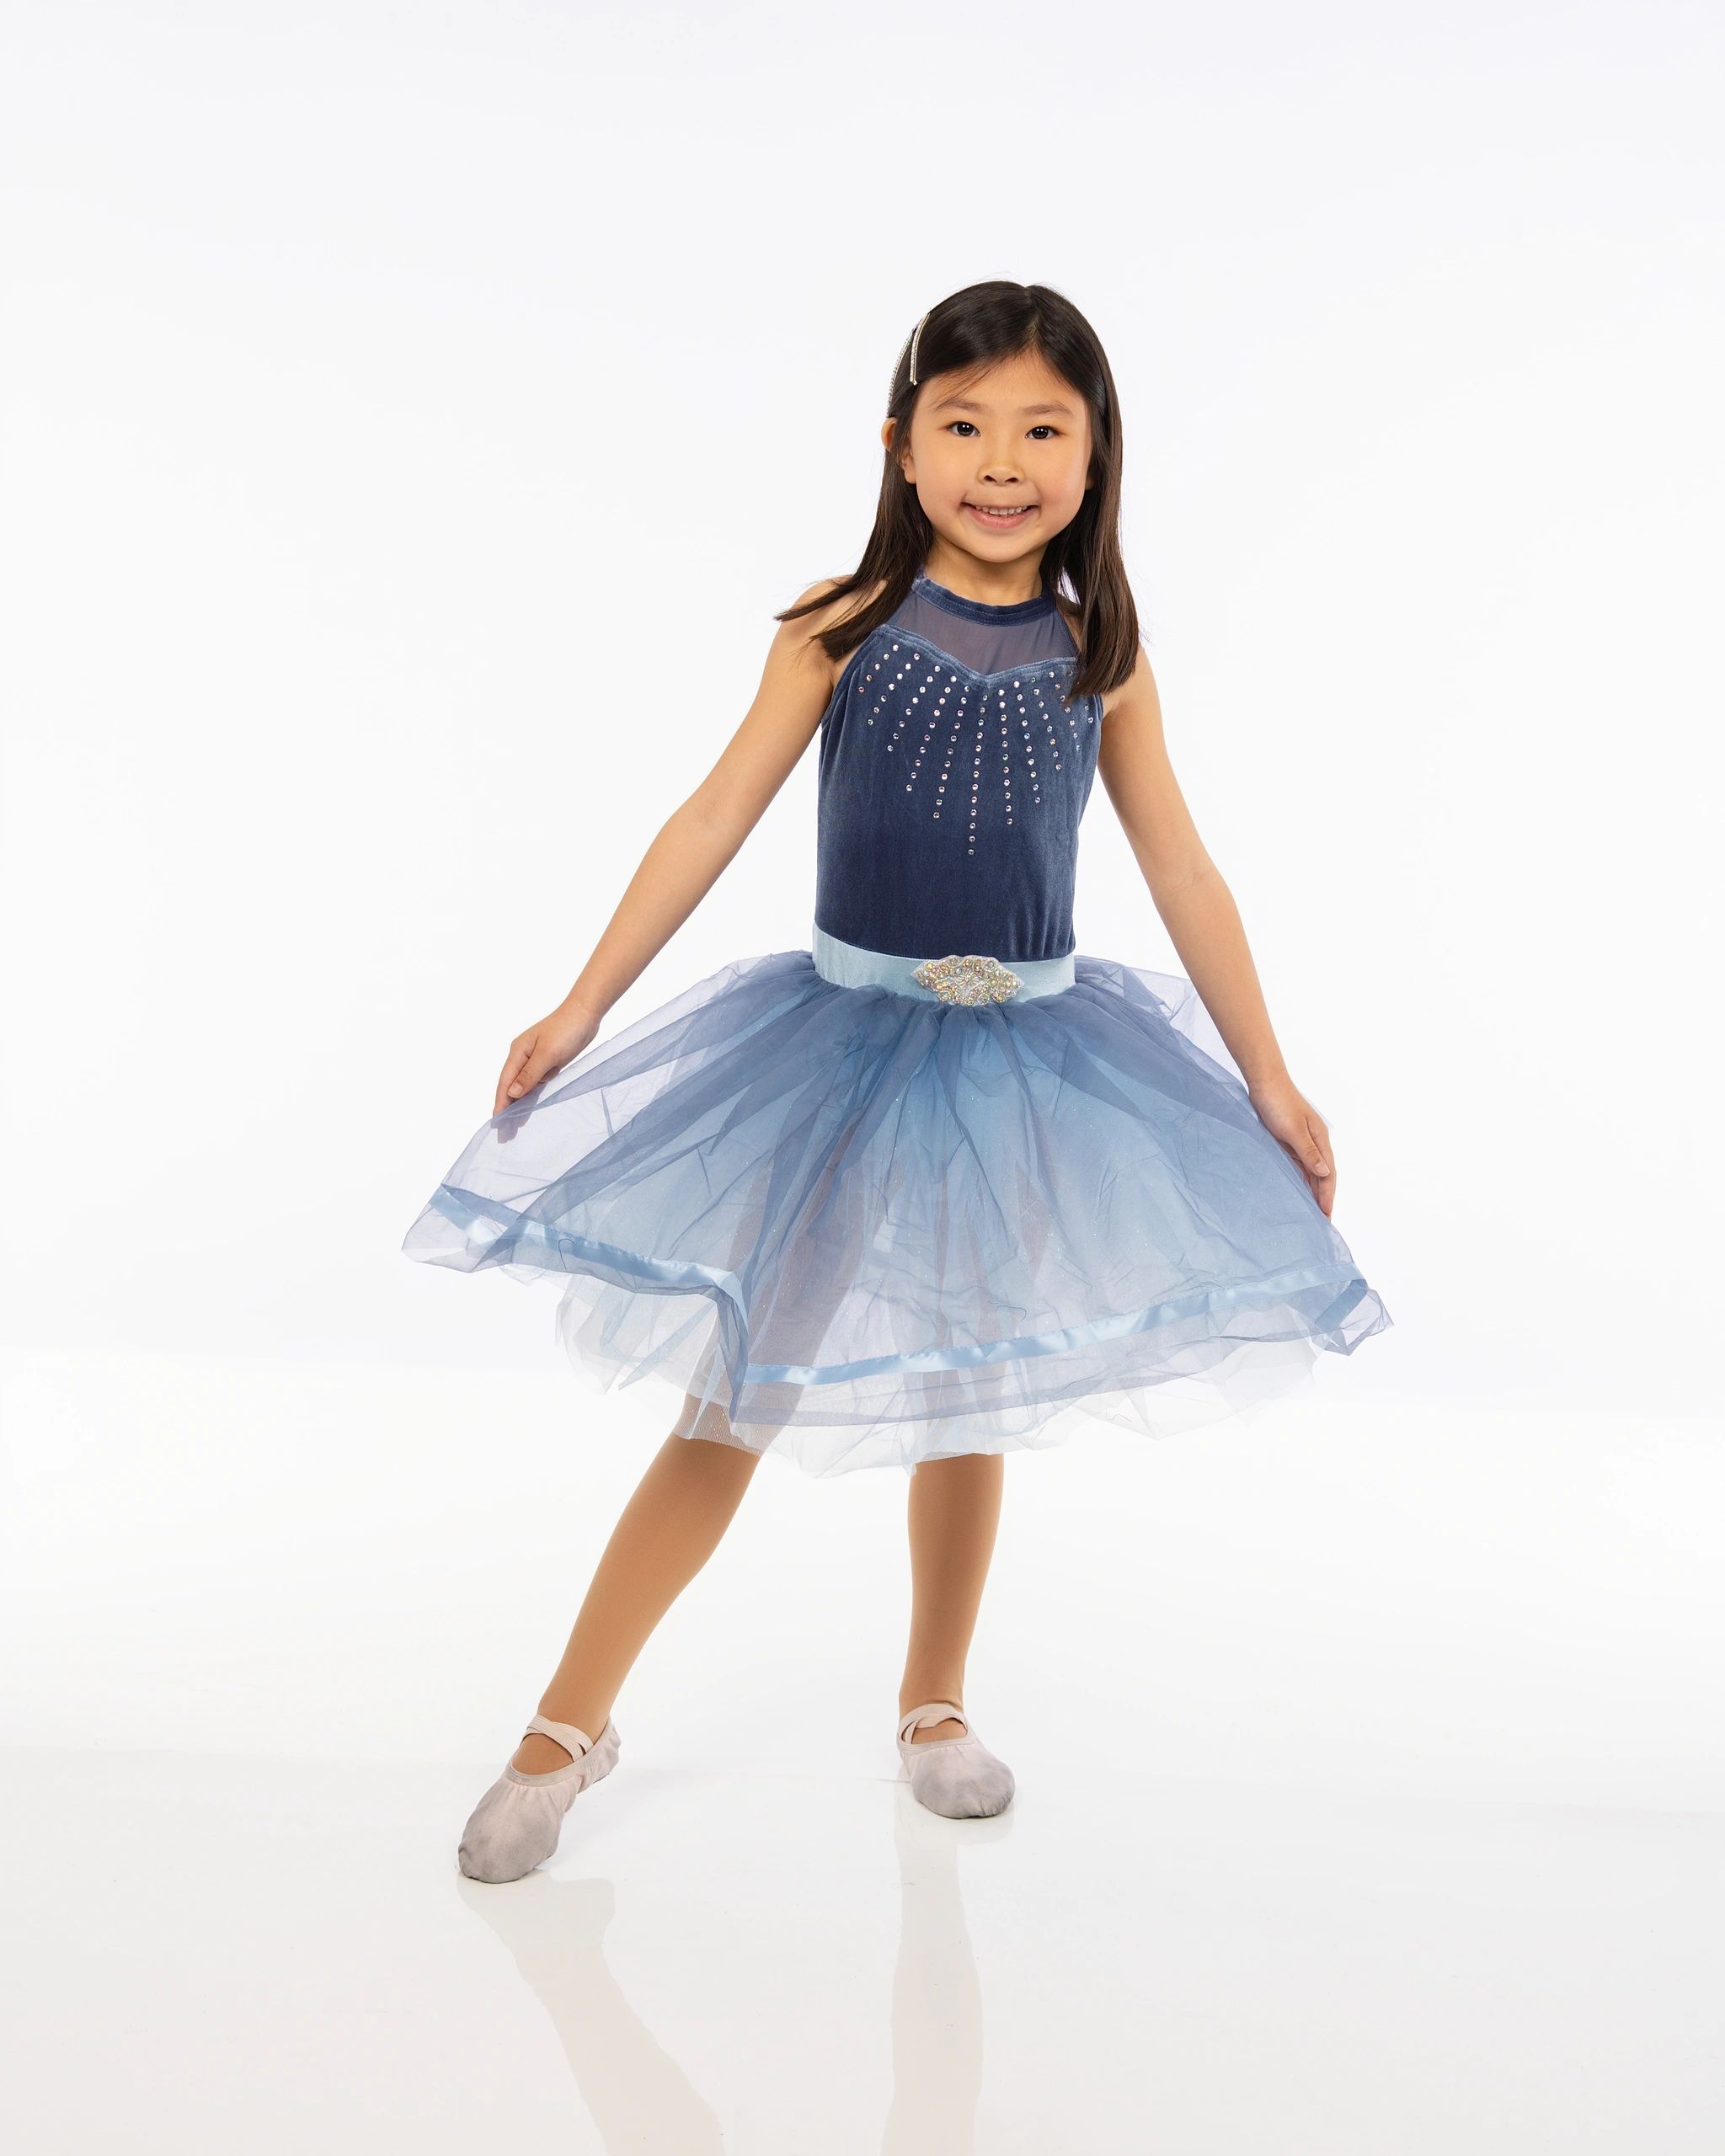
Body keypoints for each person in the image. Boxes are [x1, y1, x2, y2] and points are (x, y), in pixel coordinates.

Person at [402, 280, 1392, 1881]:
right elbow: (713, 814)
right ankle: (564, 1727)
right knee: (733, 1396)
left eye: (1043, 431)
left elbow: (1183, 870)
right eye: (965, 425)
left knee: (967, 1390)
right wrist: (585, 1001)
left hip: (1026, 1071)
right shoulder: (843, 624)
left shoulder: (1103, 654)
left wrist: (1271, 1080)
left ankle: (936, 1703)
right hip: (841, 1059)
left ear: (1096, 451)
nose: (1002, 463)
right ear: (901, 445)